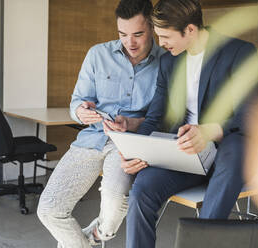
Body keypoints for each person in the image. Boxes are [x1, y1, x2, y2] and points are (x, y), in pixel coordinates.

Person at [119, 0, 258, 247]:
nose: (161, 43)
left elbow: (252, 115)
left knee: (236, 148)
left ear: (191, 29)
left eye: (165, 36)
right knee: (143, 188)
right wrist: (134, 150)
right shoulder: (169, 62)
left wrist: (208, 131)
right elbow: (156, 115)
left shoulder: (239, 52)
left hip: (226, 148)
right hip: (184, 152)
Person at [36, 0, 165, 247]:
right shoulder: (98, 54)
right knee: (49, 210)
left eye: (138, 34)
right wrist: (81, 112)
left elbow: (167, 119)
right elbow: (77, 102)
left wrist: (133, 123)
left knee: (115, 203)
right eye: (123, 34)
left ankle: (96, 237)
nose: (130, 42)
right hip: (91, 139)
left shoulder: (166, 62)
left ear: (152, 27)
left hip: (128, 145)